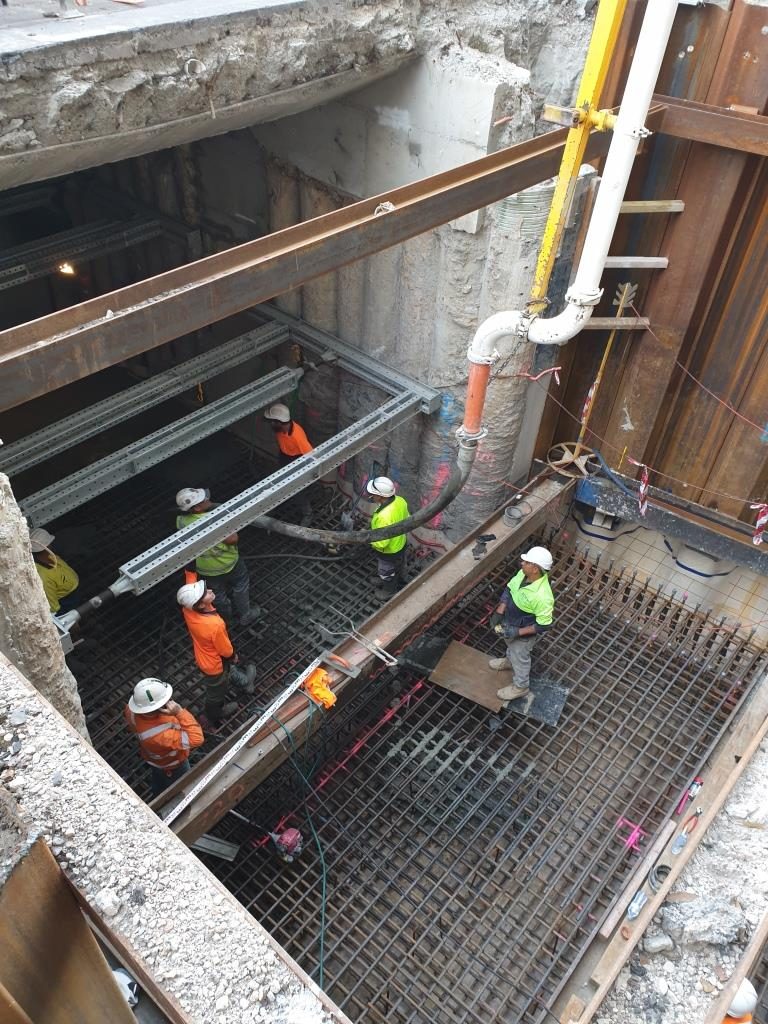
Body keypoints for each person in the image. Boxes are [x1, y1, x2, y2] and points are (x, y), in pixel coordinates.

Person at [177, 578, 257, 731]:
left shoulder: (188, 609)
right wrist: (233, 656)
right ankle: (214, 713)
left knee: (228, 671)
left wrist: (190, 569)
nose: (210, 591)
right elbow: (225, 650)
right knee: (216, 692)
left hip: (206, 656)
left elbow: (190, 586)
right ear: (200, 604)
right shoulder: (214, 625)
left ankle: (245, 683)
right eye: (205, 593)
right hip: (213, 665)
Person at [175, 487, 259, 626]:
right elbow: (232, 539)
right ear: (196, 508)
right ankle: (246, 615)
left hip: (205, 569)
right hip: (229, 564)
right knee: (241, 586)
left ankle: (227, 619)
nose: (208, 499)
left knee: (217, 594)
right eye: (204, 499)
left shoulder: (181, 521)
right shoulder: (213, 520)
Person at [488, 546, 555, 702]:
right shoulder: (523, 574)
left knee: (520, 657)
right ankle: (509, 661)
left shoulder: (543, 596)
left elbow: (545, 625)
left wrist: (517, 632)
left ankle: (521, 687)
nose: (522, 563)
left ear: (535, 569)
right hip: (511, 621)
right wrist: (499, 611)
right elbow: (510, 589)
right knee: (511, 646)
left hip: (523, 634)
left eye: (526, 562)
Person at [124, 678, 204, 796]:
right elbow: (197, 738)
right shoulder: (158, 735)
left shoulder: (131, 710)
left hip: (154, 759)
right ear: (158, 707)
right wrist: (179, 713)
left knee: (159, 780)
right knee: (183, 785)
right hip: (173, 764)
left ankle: (158, 792)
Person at [264, 402, 314, 523]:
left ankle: (308, 513)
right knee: (278, 483)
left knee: (297, 489)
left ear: (279, 422)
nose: (270, 424)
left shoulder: (297, 436)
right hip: (284, 456)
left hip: (296, 460)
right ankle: (276, 506)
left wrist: (304, 473)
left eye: (272, 421)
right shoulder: (280, 429)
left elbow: (312, 456)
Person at [367, 476, 409, 598]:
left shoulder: (384, 516)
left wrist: (370, 540)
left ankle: (389, 590)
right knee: (398, 563)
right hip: (400, 542)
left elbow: (382, 543)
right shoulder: (400, 501)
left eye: (373, 494)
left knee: (386, 570)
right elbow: (407, 517)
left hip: (388, 551)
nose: (371, 496)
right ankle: (395, 577)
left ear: (381, 496)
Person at [29, 527, 79, 614]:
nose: (51, 544)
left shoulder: (50, 556)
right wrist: (68, 618)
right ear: (45, 547)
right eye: (49, 543)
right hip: (66, 601)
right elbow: (53, 606)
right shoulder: (43, 576)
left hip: (73, 593)